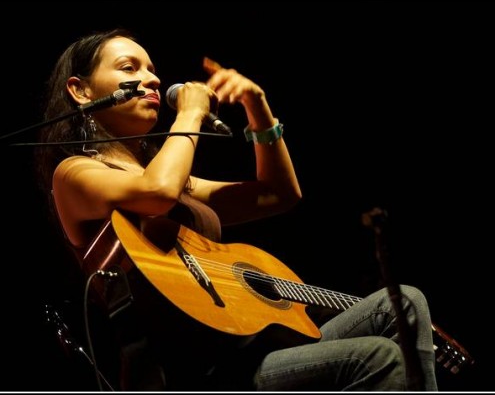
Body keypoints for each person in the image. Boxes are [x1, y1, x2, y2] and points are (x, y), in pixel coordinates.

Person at [34, 28, 438, 391]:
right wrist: (191, 112)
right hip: (195, 375)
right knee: (379, 357)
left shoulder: (174, 179)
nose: (154, 78)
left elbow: (278, 194)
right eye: (129, 67)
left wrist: (257, 107)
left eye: (153, 68)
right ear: (81, 91)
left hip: (243, 352)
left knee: (403, 301)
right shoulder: (75, 173)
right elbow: (156, 191)